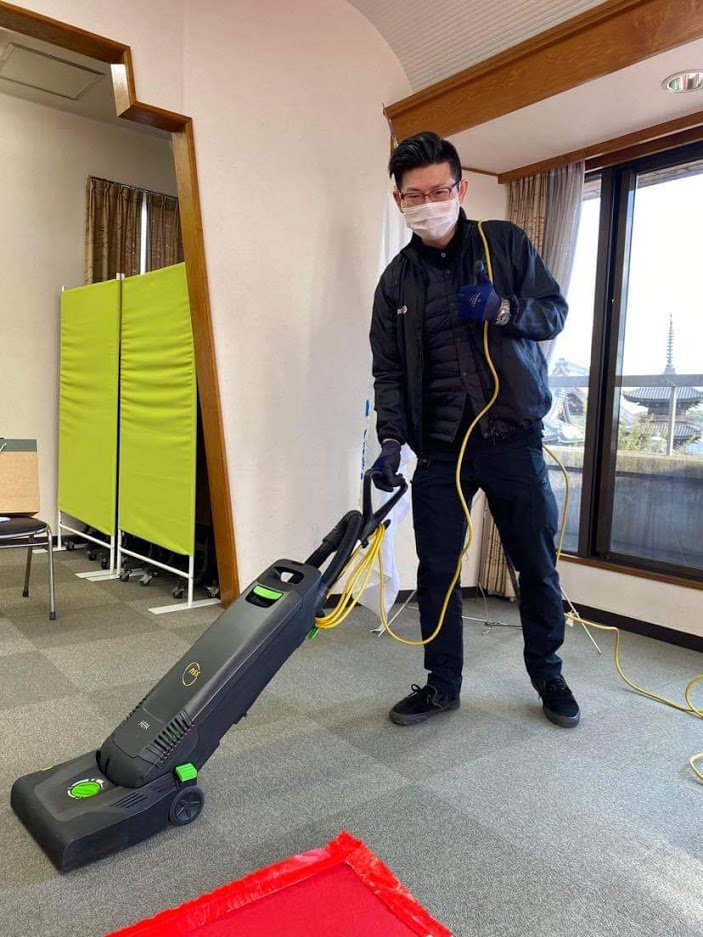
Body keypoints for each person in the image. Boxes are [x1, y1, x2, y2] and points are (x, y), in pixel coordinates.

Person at [369, 131, 580, 729]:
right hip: (440, 451)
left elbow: (554, 312)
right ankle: (442, 684)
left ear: (460, 190)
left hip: (513, 437)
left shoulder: (503, 244)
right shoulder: (395, 282)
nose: (428, 203)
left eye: (439, 191)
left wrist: (504, 310)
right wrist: (391, 440)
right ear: (399, 201)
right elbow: (388, 370)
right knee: (437, 569)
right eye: (415, 195)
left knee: (534, 565)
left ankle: (549, 675)